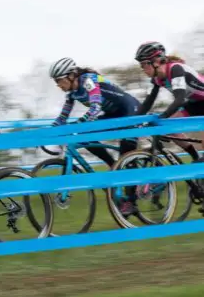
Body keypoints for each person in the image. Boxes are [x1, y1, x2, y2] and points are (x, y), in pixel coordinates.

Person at [48, 57, 142, 215]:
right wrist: (49, 132)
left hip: (131, 110)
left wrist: (78, 123)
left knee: (126, 153)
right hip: (114, 115)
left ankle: (131, 201)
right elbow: (62, 118)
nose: (58, 85)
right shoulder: (72, 93)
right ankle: (114, 166)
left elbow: (95, 107)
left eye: (59, 80)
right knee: (84, 135)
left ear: (71, 75)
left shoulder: (88, 80)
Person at [135, 41, 204, 162]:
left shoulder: (175, 68)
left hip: (197, 101)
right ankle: (195, 156)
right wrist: (135, 119)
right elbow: (148, 102)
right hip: (196, 103)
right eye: (141, 66)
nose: (143, 69)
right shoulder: (157, 78)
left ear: (156, 61)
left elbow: (179, 99)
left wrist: (162, 117)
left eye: (144, 65)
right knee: (170, 127)